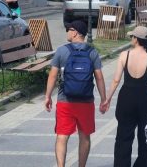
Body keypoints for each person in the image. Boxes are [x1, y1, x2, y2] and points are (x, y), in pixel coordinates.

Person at [45, 20, 107, 167]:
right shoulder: (92, 52)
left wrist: (47, 96)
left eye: (69, 29)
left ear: (75, 32)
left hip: (65, 101)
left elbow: (53, 75)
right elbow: (99, 77)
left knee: (62, 136)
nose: (67, 31)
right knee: (84, 137)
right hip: (86, 102)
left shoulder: (62, 51)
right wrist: (104, 99)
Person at [101, 26, 147, 167]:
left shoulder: (125, 55)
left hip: (127, 98)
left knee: (123, 137)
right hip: (146, 100)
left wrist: (108, 99)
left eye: (132, 37)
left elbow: (116, 80)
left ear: (136, 39)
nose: (131, 39)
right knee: (146, 138)